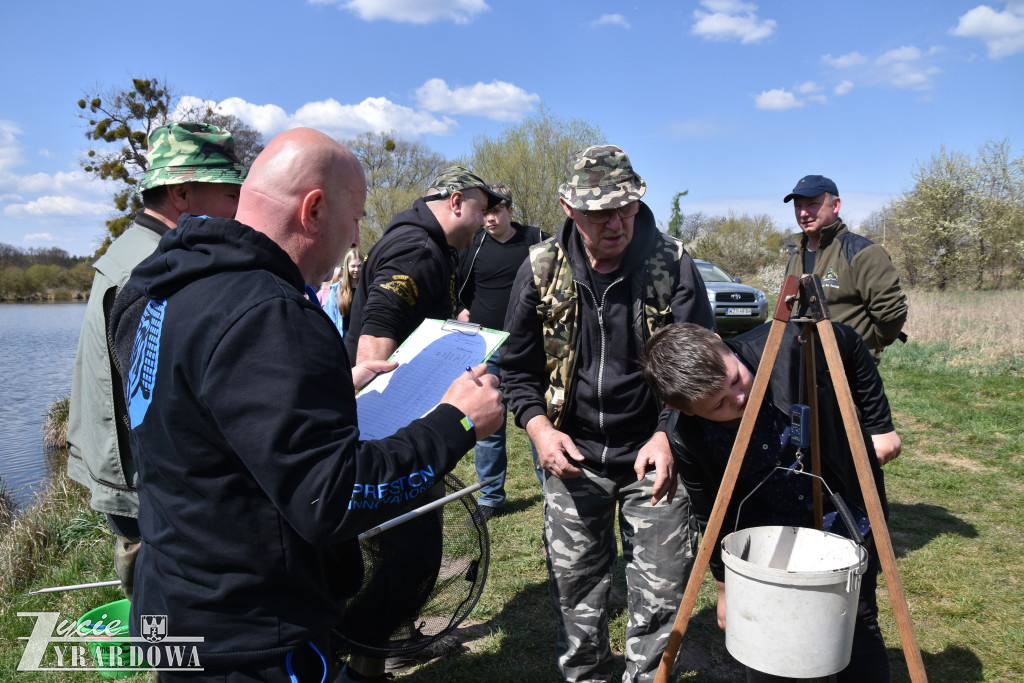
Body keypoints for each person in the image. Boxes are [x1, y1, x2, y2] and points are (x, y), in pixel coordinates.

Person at [107, 128, 503, 682]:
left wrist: (330, 388)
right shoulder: (271, 314)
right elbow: (333, 498)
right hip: (255, 636)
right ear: (314, 210)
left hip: (174, 605)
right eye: (357, 217)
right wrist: (457, 421)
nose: (357, 238)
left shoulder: (159, 285)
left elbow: (204, 415)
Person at [501, 144, 716, 683]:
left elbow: (702, 368)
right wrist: (539, 428)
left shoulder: (673, 266)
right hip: (571, 459)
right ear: (569, 209)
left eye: (627, 208)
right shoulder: (542, 268)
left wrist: (667, 434)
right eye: (600, 214)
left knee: (661, 593)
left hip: (654, 459)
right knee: (575, 593)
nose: (617, 224)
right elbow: (516, 368)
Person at [641, 321, 902, 682]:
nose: (739, 399)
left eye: (735, 380)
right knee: (772, 631)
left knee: (855, 617)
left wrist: (879, 426)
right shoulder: (686, 436)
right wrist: (724, 586)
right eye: (719, 405)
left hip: (838, 508)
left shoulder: (788, 345)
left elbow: (849, 344)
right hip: (767, 535)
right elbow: (711, 513)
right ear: (683, 409)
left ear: (721, 343)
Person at [66, 121, 247, 600]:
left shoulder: (139, 248)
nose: (238, 208)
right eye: (230, 194)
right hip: (138, 475)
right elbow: (166, 390)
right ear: (184, 193)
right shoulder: (155, 267)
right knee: (164, 586)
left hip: (124, 464)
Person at [455, 183, 549, 516]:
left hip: (529, 345)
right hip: (485, 345)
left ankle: (550, 489)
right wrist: (458, 307)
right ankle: (491, 496)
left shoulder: (537, 239)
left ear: (510, 209)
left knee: (536, 415)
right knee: (486, 423)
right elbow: (452, 279)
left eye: (496, 211)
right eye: (485, 212)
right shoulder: (473, 245)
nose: (490, 219)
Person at [783, 175, 908, 360]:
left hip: (849, 367)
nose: (803, 213)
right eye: (798, 206)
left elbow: (891, 313)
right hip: (802, 367)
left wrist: (869, 346)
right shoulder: (795, 258)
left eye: (812, 204)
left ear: (836, 205)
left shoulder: (862, 252)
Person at [321, 247, 363, 336]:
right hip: (342, 336)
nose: (356, 269)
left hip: (361, 335)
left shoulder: (367, 288)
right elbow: (330, 316)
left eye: (359, 266)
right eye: (353, 266)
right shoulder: (336, 289)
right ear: (347, 266)